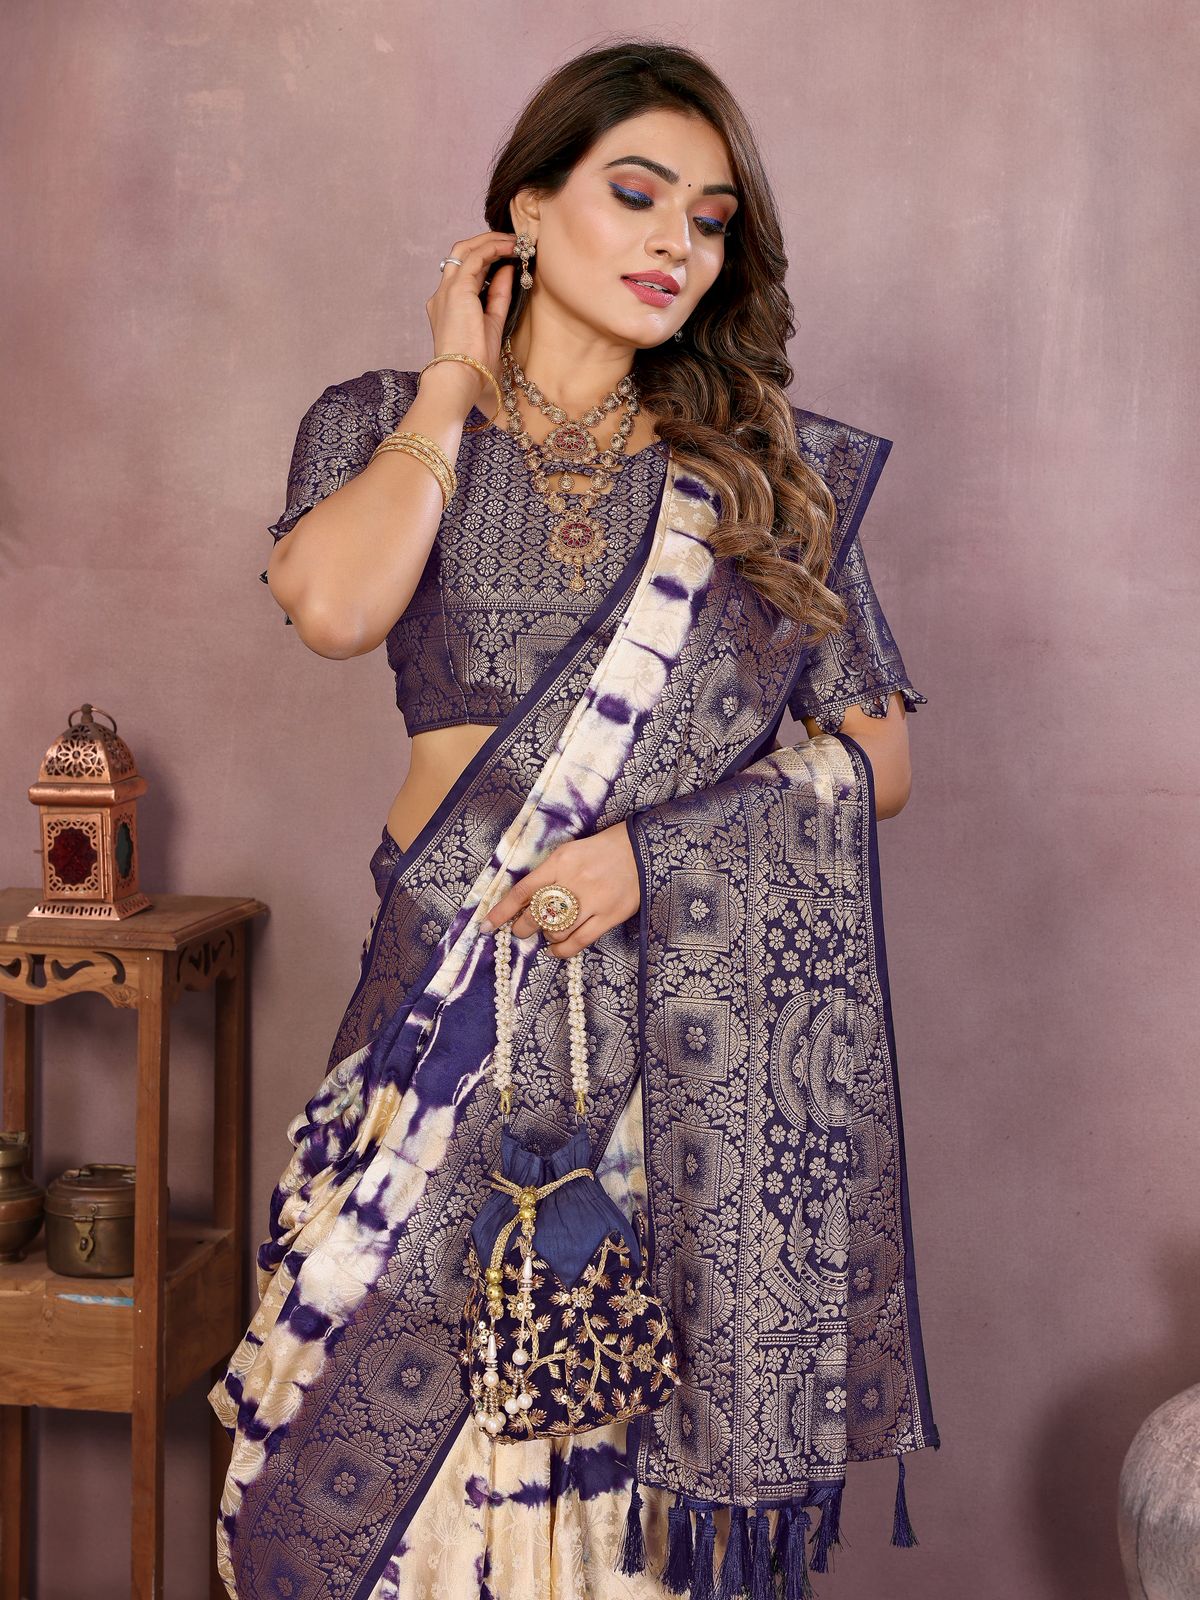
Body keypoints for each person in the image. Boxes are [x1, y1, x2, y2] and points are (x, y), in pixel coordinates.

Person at [209, 40, 939, 1600]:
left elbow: (875, 759)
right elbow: (333, 608)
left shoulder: (755, 479)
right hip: (438, 996)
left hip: (661, 1049)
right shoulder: (382, 420)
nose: (680, 239)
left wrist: (648, 857)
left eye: (713, 215)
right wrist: (451, 384)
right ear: (527, 214)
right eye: (636, 193)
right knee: (336, 1473)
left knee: (607, 1484)